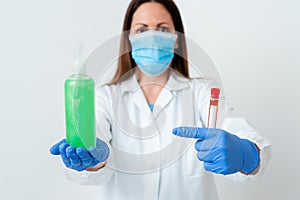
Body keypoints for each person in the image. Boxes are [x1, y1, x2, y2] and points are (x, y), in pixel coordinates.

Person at [50, 0, 271, 199]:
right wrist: (92, 160)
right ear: (130, 40)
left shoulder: (202, 92)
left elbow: (237, 131)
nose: (152, 37)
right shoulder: (106, 97)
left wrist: (245, 153)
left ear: (176, 40)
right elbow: (93, 148)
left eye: (163, 29)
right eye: (141, 30)